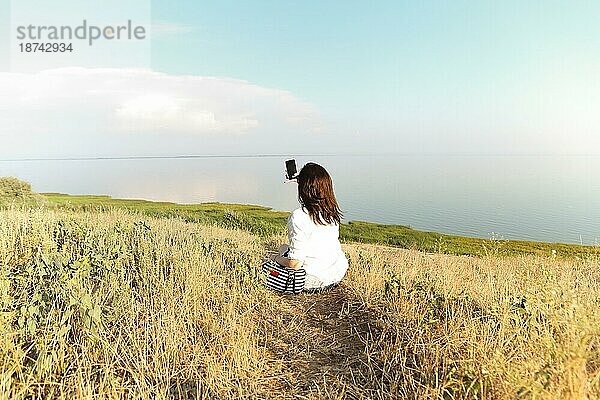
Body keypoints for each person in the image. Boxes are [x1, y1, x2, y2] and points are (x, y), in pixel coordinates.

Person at [269, 162, 348, 293]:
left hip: (313, 280)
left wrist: (275, 258)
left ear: (303, 189)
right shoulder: (331, 211)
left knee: (281, 252)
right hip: (336, 272)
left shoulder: (299, 216)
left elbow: (295, 264)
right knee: (283, 247)